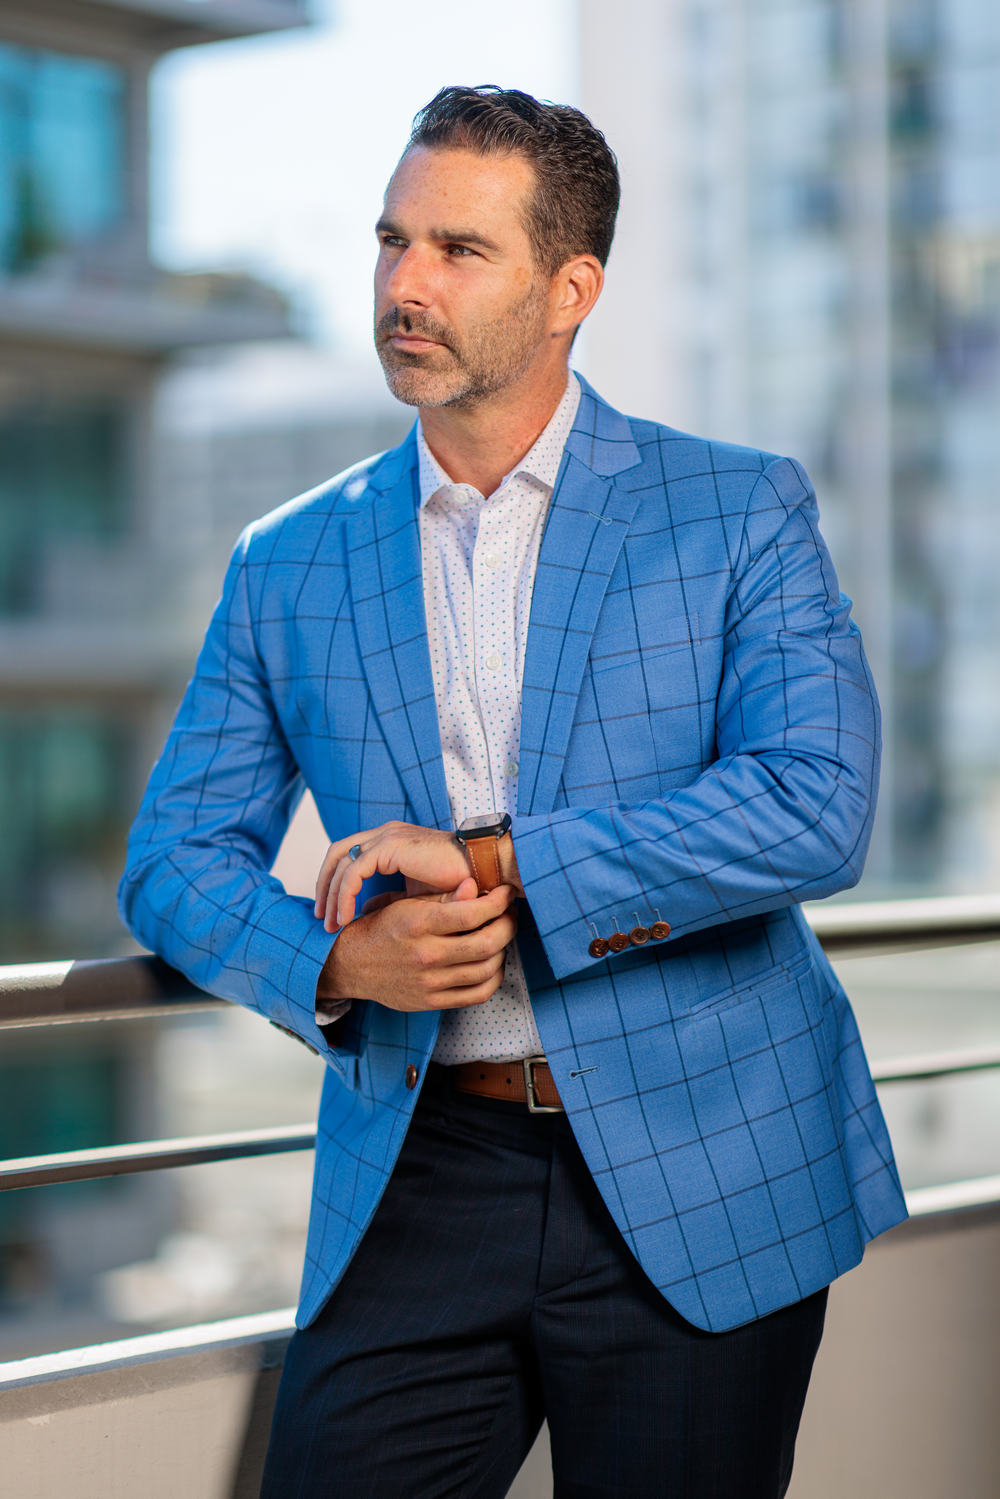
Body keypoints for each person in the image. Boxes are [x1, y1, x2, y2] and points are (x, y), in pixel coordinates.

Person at [119, 85, 907, 1498]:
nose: (405, 284)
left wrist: (498, 865)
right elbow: (171, 856)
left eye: (459, 249)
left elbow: (817, 801)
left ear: (569, 290)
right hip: (420, 1164)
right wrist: (333, 965)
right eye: (392, 239)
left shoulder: (739, 509)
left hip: (707, 1163)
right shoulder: (285, 560)